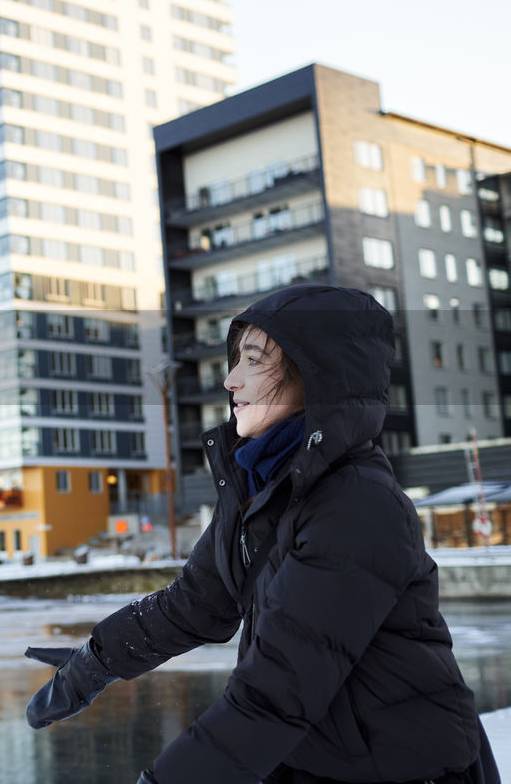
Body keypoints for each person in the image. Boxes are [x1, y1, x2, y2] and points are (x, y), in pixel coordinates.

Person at [25, 284, 499, 784]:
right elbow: (195, 603)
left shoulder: (357, 506)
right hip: (314, 759)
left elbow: (276, 693)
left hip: (404, 769)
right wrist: (94, 661)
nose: (230, 380)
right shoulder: (265, 487)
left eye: (253, 361)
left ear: (316, 373)